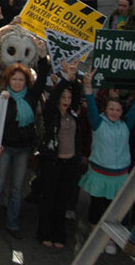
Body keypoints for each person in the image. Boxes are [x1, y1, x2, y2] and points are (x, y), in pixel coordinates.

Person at [0, 40, 50, 239]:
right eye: (14, 80)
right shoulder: (2, 98)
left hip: (22, 149)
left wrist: (42, 55)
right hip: (4, 148)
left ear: (26, 82)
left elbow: (43, 77)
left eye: (21, 80)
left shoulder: (31, 96)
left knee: (16, 188)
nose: (17, 83)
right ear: (8, 80)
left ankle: (13, 224)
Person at [80, 67, 135, 255]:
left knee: (114, 212)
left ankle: (109, 238)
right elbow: (91, 106)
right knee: (96, 207)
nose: (114, 112)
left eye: (118, 109)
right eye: (111, 109)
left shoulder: (126, 125)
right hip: (99, 175)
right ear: (105, 109)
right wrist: (88, 85)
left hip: (119, 177)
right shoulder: (98, 122)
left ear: (122, 112)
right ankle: (96, 238)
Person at [36, 61, 81, 249]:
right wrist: (64, 80)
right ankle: (44, 233)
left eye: (69, 97)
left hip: (68, 164)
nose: (66, 100)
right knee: (49, 199)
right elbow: (53, 97)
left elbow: (78, 95)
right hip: (52, 163)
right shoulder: (50, 113)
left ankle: (58, 235)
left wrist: (73, 78)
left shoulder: (72, 114)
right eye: (63, 96)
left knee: (62, 200)